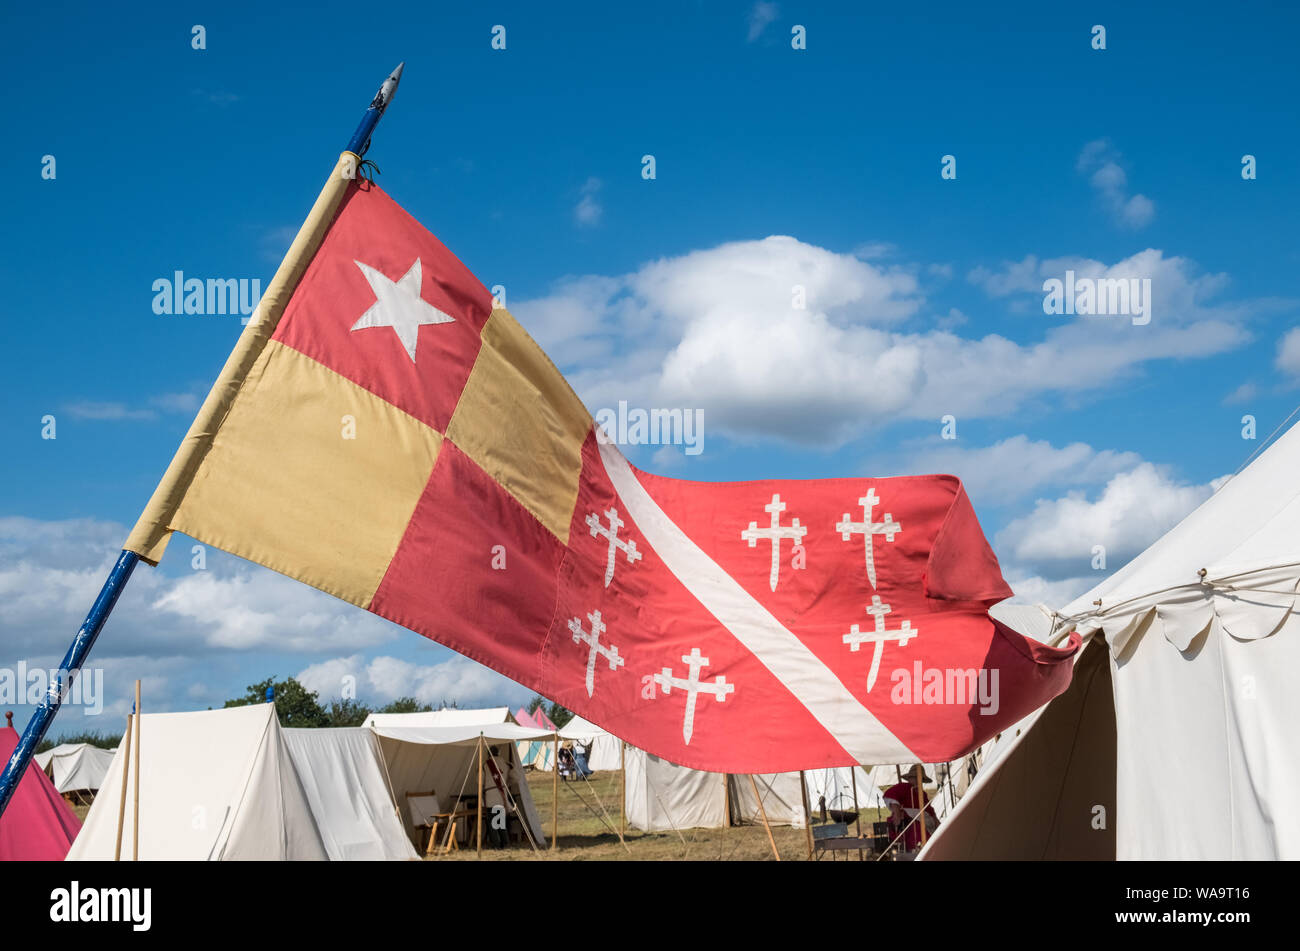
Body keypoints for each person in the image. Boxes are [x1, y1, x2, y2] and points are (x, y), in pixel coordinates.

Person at [883, 765, 939, 854]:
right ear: (909, 778)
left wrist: (936, 820)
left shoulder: (922, 794)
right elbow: (889, 794)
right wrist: (897, 812)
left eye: (919, 778)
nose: (917, 780)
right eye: (914, 777)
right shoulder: (904, 787)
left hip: (922, 823)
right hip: (907, 824)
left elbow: (929, 809)